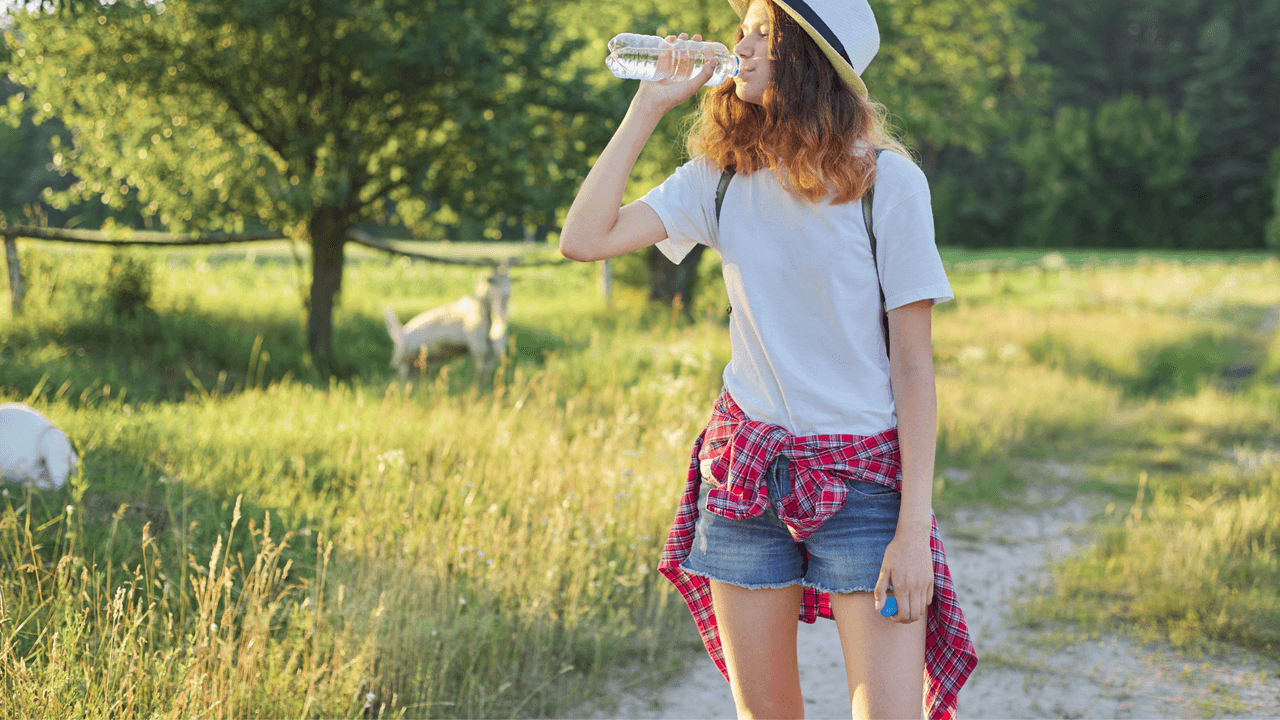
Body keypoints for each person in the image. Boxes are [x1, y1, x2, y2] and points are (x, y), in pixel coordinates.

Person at [559, 0, 977, 717]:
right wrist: (648, 106)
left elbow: (913, 369)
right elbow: (583, 238)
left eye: (762, 32)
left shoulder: (890, 185)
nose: (740, 46)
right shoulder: (718, 178)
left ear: (809, 59)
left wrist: (914, 532)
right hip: (746, 474)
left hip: (864, 485)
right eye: (743, 29)